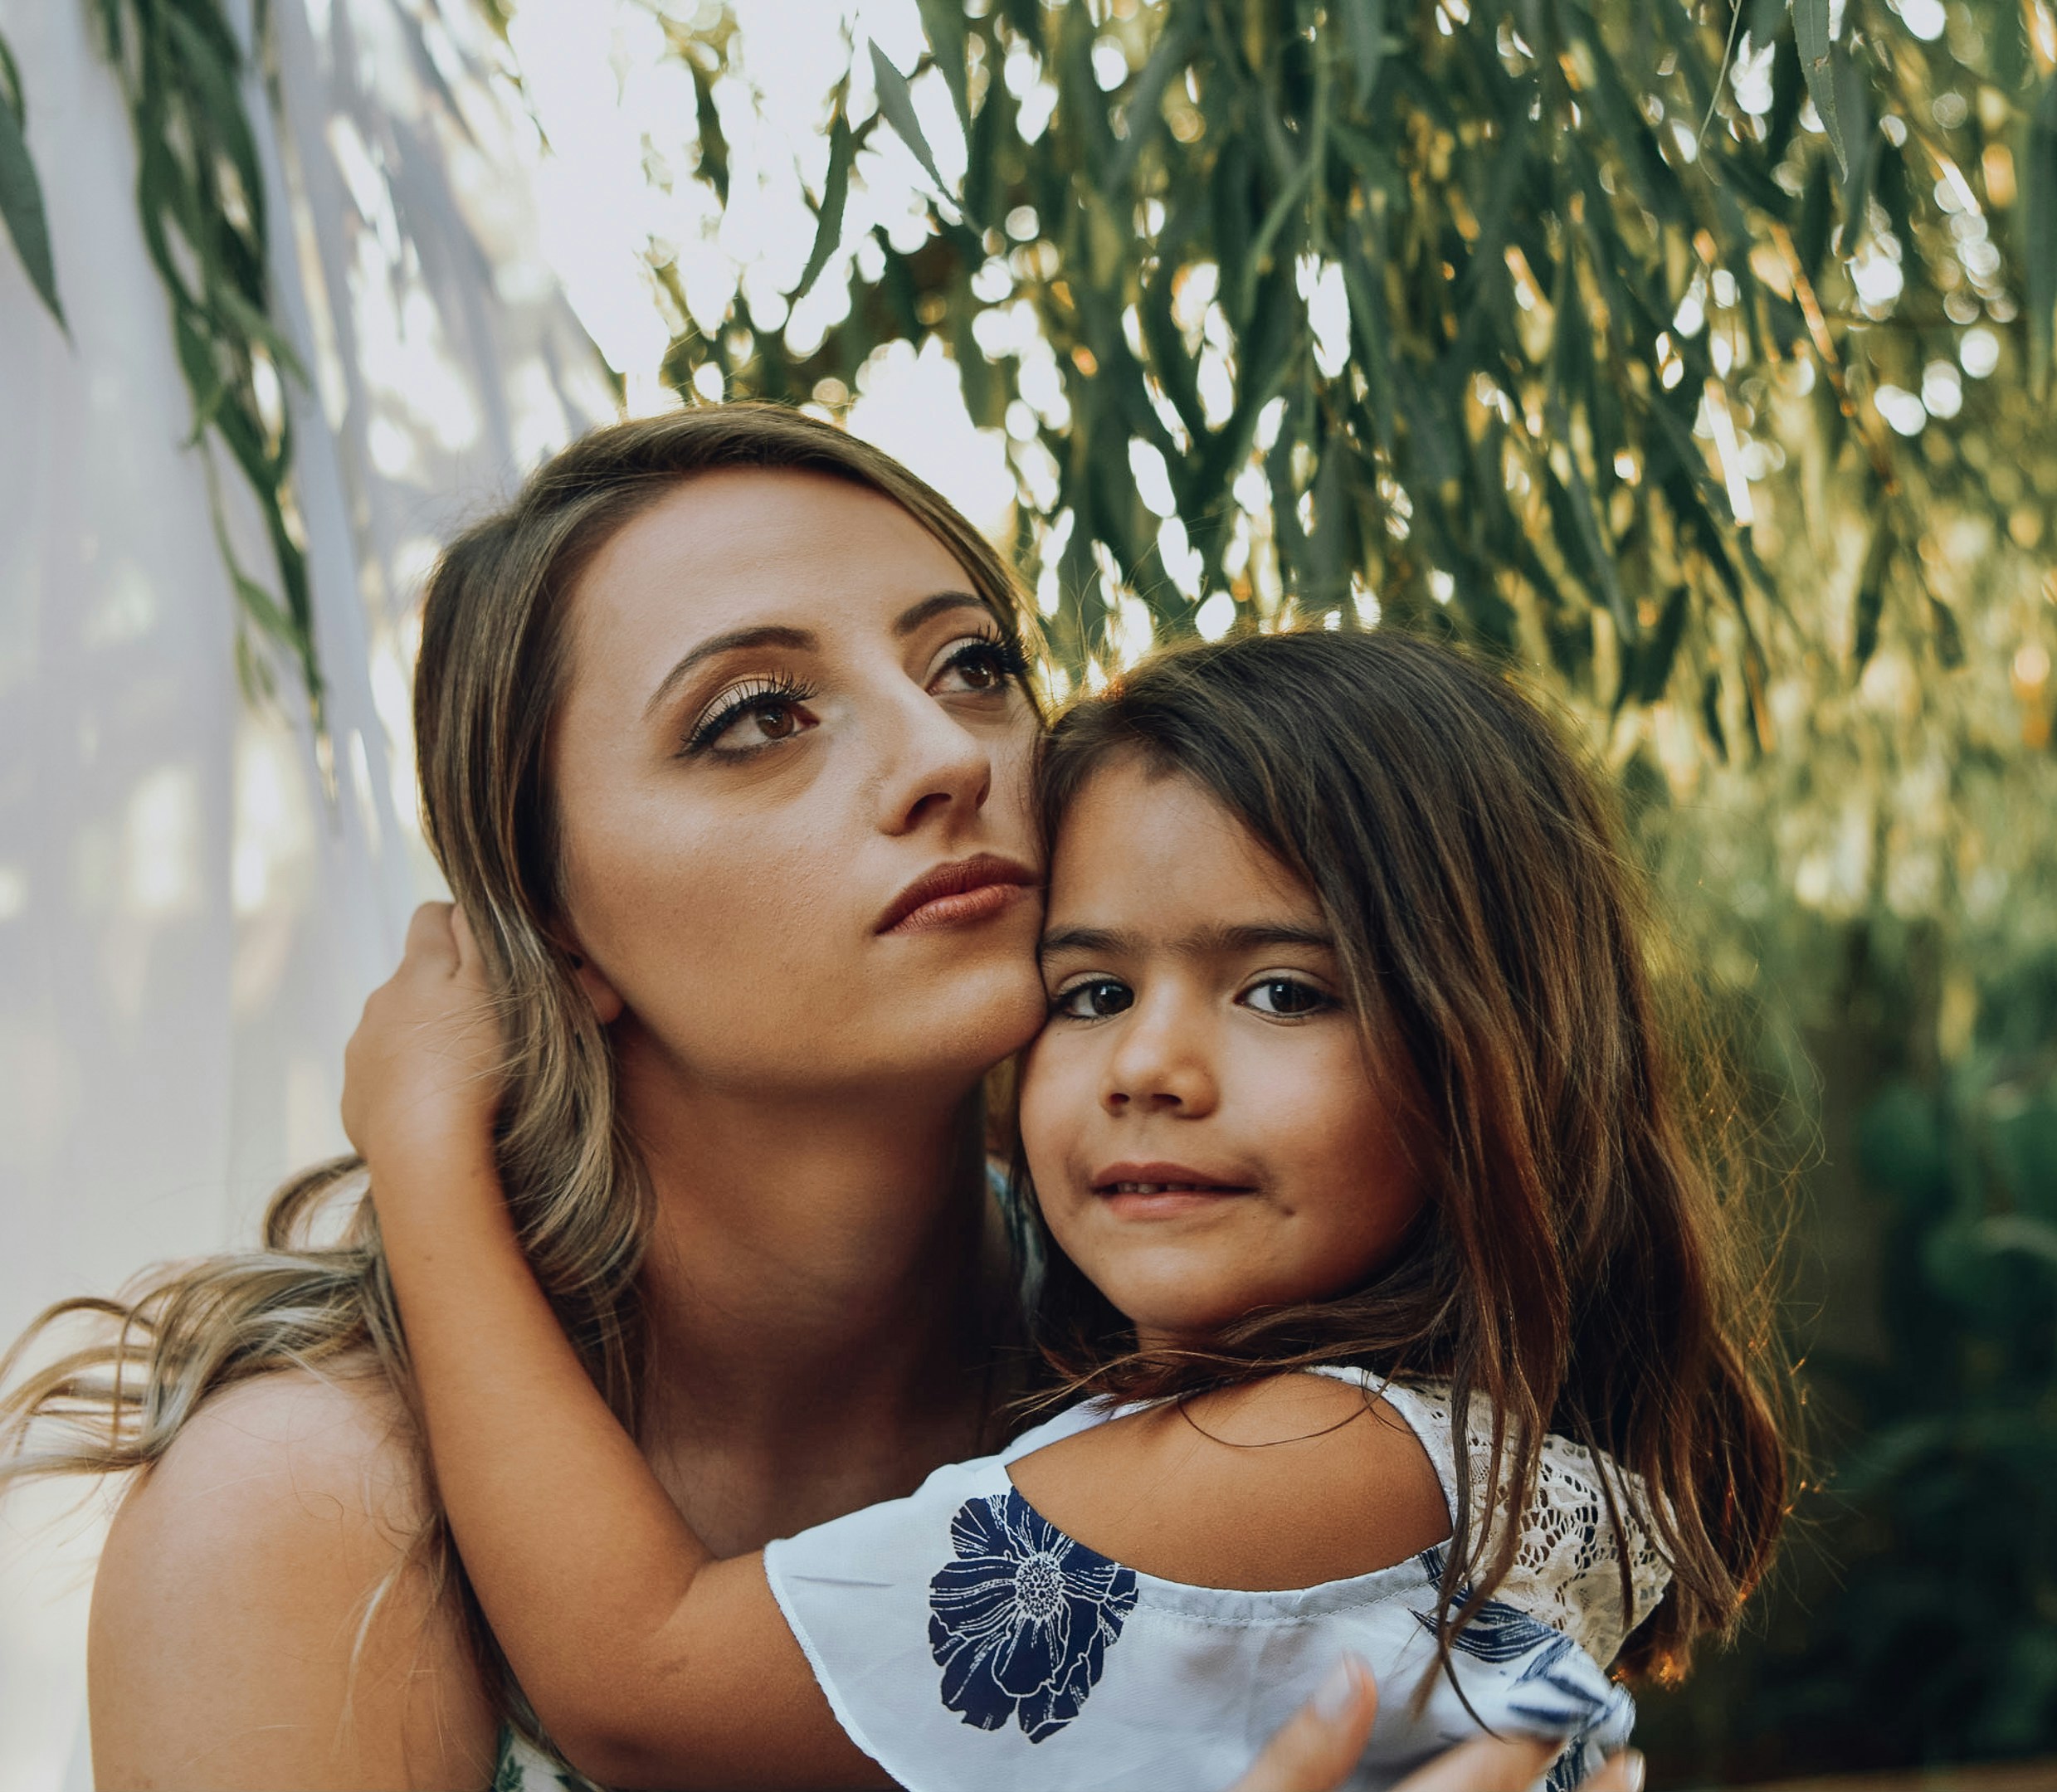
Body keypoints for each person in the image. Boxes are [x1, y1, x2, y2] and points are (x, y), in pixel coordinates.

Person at [0, 407, 1616, 1792]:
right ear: (551, 918)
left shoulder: (1223, 1356)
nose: (947, 756)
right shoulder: (316, 1515)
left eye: (973, 666)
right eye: (757, 718)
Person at [343, 631, 1786, 1791]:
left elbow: (645, 1684)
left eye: (1283, 992)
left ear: (1502, 1058)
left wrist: (424, 1154)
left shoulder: (1314, 1455)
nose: (1148, 1066)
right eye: (1092, 992)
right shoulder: (1404, 1448)